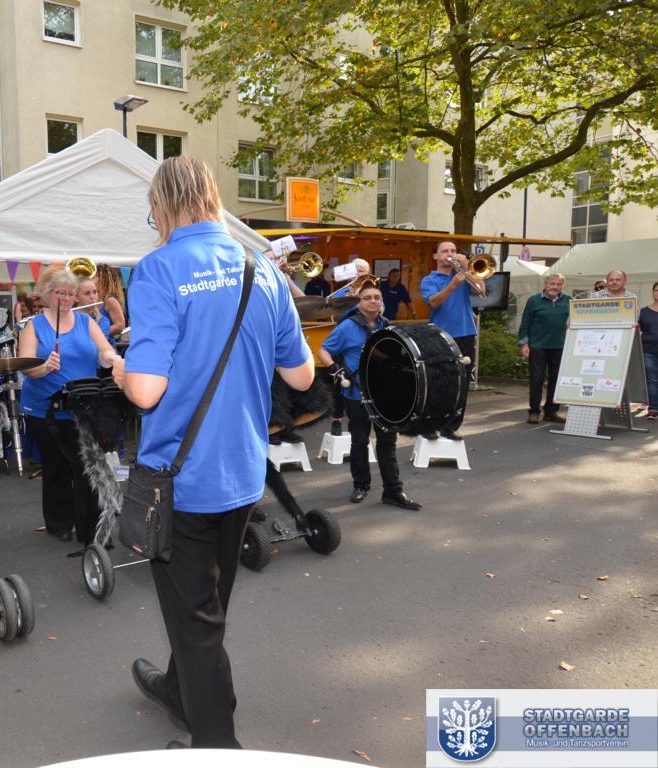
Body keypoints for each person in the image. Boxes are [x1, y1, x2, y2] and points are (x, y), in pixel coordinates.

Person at [112, 157, 313, 749]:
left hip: (182, 479)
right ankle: (181, 693)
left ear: (163, 206)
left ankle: (218, 747)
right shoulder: (261, 267)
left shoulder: (158, 267)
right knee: (205, 604)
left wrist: (120, 367)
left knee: (196, 620)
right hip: (243, 471)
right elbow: (301, 376)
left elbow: (145, 391)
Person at [18, 267, 121, 545]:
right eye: (60, 293)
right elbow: (26, 366)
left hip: (82, 405)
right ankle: (59, 522)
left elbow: (104, 351)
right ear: (47, 294)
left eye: (70, 293)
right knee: (56, 467)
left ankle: (90, 526)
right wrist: (44, 367)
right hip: (44, 409)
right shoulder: (34, 326)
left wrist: (112, 359)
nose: (65, 298)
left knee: (87, 467)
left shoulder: (86, 322)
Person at [318, 286, 422, 509]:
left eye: (377, 297)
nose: (373, 301)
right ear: (359, 302)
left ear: (381, 301)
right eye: (367, 298)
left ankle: (393, 491)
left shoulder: (388, 326)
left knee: (387, 443)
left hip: (384, 394)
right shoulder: (347, 327)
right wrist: (336, 369)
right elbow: (323, 350)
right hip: (356, 394)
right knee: (359, 442)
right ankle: (361, 486)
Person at [419, 240, 481, 440]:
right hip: (440, 335)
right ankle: (429, 424)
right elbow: (434, 302)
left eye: (453, 250)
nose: (450, 253)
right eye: (445, 250)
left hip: (465, 333)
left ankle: (451, 426)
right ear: (436, 256)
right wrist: (453, 284)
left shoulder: (463, 274)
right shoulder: (429, 280)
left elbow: (480, 291)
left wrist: (466, 268)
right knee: (438, 381)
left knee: (462, 383)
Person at [518, 274, 571, 425]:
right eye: (552, 283)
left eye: (559, 284)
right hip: (537, 346)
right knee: (537, 380)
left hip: (560, 346)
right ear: (545, 285)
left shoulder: (568, 300)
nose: (555, 286)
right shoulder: (534, 300)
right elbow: (525, 324)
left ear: (562, 286)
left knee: (556, 380)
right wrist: (524, 344)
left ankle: (551, 412)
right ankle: (534, 412)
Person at [76, 275, 126, 340]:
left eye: (95, 292)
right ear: (76, 297)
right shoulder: (68, 318)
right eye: (87, 293)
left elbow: (94, 343)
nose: (92, 297)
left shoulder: (102, 321)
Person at [639, 281, 658, 419]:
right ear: (653, 292)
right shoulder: (643, 312)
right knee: (652, 380)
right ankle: (654, 409)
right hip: (648, 351)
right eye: (656, 290)